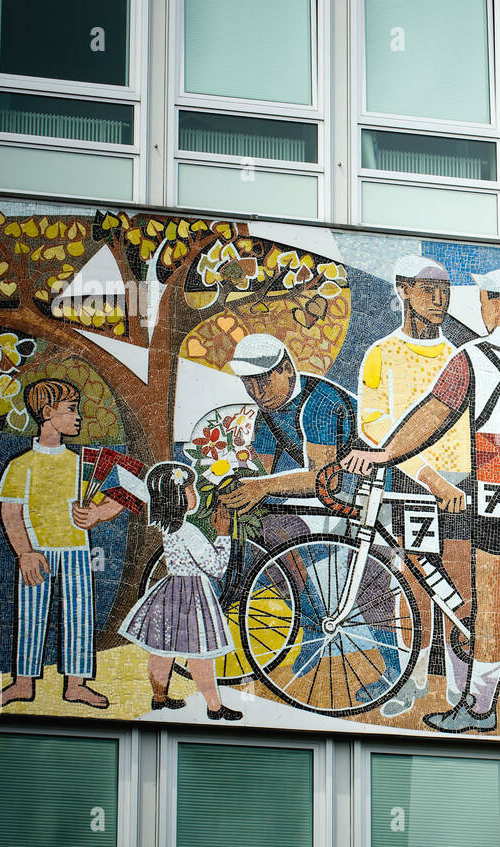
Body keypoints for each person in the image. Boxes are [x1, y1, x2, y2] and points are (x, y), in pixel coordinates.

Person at [343, 268, 500, 737]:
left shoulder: (469, 358)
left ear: (495, 305)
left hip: (490, 500)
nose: (479, 309)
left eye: (482, 301)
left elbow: (432, 416)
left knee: (490, 607)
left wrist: (385, 453)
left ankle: (478, 711)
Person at [357, 255, 473, 716]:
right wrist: (429, 478)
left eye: (445, 290)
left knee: (460, 585)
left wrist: (451, 481)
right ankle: (413, 680)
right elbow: (375, 425)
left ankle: (461, 688)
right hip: (412, 488)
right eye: (429, 290)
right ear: (404, 289)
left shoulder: (458, 358)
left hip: (460, 485)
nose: (440, 300)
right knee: (416, 585)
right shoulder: (381, 355)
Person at [221, 334, 357, 677]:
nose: (257, 391)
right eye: (248, 382)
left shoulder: (319, 403)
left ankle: (313, 622)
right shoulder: (268, 412)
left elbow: (323, 480)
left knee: (282, 533)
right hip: (323, 501)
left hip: (362, 496)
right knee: (256, 527)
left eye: (264, 379)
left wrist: (260, 487)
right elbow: (261, 471)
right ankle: (306, 613)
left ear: (286, 370)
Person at [0, 379, 125, 710]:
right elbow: (10, 513)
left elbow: (122, 497)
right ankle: (23, 684)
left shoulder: (79, 464)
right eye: (71, 410)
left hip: (76, 551)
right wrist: (24, 553)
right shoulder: (21, 465)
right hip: (37, 554)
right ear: (48, 413)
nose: (78, 417)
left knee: (79, 615)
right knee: (31, 615)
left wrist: (97, 514)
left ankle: (76, 685)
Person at [119, 462, 242, 720]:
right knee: (200, 655)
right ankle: (214, 707)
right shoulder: (188, 532)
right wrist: (223, 534)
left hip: (169, 592)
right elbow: (216, 567)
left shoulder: (168, 527)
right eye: (189, 489)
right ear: (177, 497)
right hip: (192, 595)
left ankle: (159, 699)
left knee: (162, 650)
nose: (194, 493)